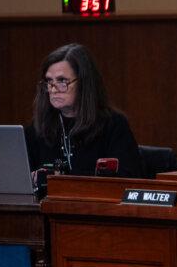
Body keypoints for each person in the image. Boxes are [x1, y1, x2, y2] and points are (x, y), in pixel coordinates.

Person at [24, 43, 142, 177]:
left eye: (62, 81)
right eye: (49, 81)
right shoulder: (39, 126)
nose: (53, 89)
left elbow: (127, 177)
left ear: (83, 83)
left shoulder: (113, 124)